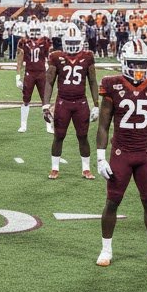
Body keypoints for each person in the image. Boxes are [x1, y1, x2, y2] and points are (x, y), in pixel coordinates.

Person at [95, 38, 147, 268]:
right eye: (134, 63)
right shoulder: (112, 84)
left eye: (142, 64)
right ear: (124, 62)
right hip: (121, 153)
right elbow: (103, 125)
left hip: (146, 153)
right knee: (112, 201)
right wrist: (100, 156)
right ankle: (106, 250)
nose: (138, 69)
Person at [43, 24, 99, 181]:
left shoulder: (88, 56)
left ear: (80, 42)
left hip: (81, 102)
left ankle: (86, 169)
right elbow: (49, 81)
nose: (73, 46)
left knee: (83, 136)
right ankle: (55, 168)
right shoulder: (56, 56)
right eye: (70, 42)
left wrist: (96, 105)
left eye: (75, 42)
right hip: (63, 102)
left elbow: (93, 81)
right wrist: (46, 105)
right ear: (64, 41)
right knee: (58, 136)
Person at [15, 19, 52, 133]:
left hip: (41, 73)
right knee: (26, 99)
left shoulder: (45, 41)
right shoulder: (23, 42)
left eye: (36, 30)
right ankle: (23, 125)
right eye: (32, 30)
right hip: (29, 73)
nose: (35, 33)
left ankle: (49, 126)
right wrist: (17, 77)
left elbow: (49, 57)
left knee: (45, 100)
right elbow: (20, 60)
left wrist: (50, 70)